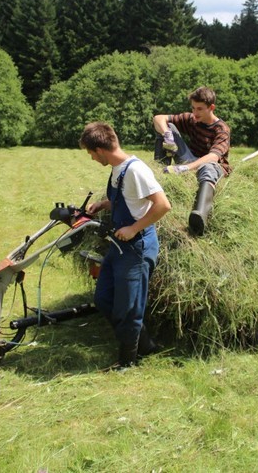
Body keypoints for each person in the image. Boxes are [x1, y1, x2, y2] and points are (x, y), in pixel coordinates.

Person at [79, 122, 171, 368]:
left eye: (90, 153)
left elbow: (163, 204)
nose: (91, 158)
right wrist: (103, 204)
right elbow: (127, 199)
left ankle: (128, 361)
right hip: (119, 247)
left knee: (129, 309)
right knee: (104, 298)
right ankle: (145, 343)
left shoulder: (135, 170)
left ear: (100, 149)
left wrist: (133, 228)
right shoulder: (118, 168)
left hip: (137, 247)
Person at [152, 86, 232, 235]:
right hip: (190, 158)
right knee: (166, 127)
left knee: (208, 167)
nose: (195, 113)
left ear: (211, 107)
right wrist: (167, 133)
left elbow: (213, 156)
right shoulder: (192, 119)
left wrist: (186, 168)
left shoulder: (221, 129)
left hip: (213, 166)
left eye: (200, 109)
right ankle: (159, 174)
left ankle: (200, 214)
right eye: (193, 108)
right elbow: (158, 118)